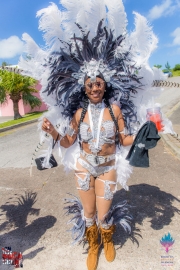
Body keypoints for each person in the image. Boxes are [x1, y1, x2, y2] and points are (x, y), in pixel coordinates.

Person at [41, 75, 134, 270]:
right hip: (84, 167)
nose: (94, 88)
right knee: (89, 212)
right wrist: (52, 132)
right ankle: (94, 245)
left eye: (98, 84)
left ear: (105, 86)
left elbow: (124, 139)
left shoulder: (114, 110)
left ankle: (107, 239)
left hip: (107, 167)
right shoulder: (79, 114)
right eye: (90, 84)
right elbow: (68, 141)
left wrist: (143, 134)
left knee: (103, 214)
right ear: (84, 88)